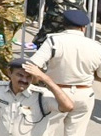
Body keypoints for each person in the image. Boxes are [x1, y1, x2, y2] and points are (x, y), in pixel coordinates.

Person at [29, 8, 101, 136]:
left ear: (63, 24)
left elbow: (33, 66)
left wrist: (36, 82)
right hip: (84, 94)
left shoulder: (54, 41)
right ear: (83, 28)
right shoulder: (96, 46)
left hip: (55, 92)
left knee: (44, 132)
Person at [0, 60, 75, 136]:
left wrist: (46, 78)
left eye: (28, 77)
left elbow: (68, 107)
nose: (24, 80)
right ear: (9, 73)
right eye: (20, 75)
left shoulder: (41, 96)